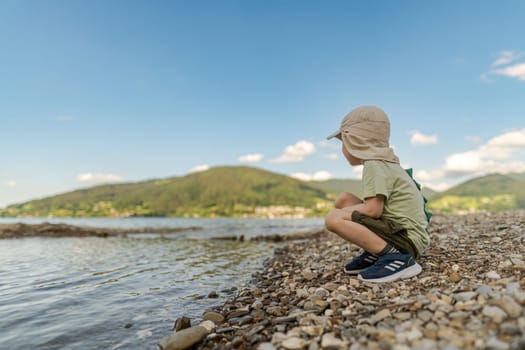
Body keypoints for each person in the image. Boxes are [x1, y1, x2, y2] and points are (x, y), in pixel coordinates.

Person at [324, 106, 430, 283]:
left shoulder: (374, 165)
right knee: (344, 199)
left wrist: (341, 216)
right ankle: (377, 250)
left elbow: (373, 211)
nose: (342, 147)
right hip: (405, 234)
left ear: (354, 140)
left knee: (333, 219)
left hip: (406, 240)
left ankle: (396, 258)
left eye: (343, 140)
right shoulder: (383, 162)